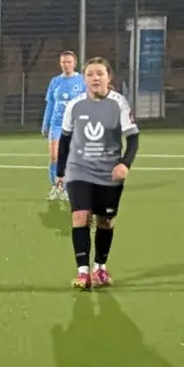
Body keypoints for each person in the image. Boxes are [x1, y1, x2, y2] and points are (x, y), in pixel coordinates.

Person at [56, 57, 139, 289]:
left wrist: (125, 164)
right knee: (80, 216)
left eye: (99, 73)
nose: (95, 78)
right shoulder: (74, 105)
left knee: (105, 221)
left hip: (108, 173)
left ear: (108, 77)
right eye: (90, 74)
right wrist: (60, 171)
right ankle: (82, 272)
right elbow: (65, 139)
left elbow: (133, 139)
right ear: (84, 78)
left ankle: (99, 267)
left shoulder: (119, 103)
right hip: (79, 170)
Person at [43, 51, 87, 201]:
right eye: (63, 62)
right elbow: (50, 104)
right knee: (54, 157)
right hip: (56, 124)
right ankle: (56, 187)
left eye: (69, 62)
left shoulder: (82, 81)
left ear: (74, 63)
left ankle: (68, 188)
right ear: (60, 64)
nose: (66, 64)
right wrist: (45, 124)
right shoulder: (55, 81)